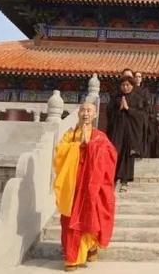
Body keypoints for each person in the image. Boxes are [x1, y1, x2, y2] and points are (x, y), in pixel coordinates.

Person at [53, 102, 117, 271]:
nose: (85, 113)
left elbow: (111, 155)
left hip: (91, 184)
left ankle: (90, 247)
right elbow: (59, 150)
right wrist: (77, 146)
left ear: (95, 115)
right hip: (73, 183)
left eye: (89, 110)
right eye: (83, 109)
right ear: (78, 113)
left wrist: (92, 146)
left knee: (91, 215)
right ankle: (72, 257)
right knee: (70, 219)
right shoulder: (70, 134)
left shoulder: (99, 136)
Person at [106, 75, 148, 191]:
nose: (125, 87)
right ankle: (112, 178)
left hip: (131, 131)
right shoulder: (117, 98)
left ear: (132, 86)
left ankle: (125, 181)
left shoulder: (138, 98)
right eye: (123, 85)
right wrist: (119, 108)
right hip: (118, 131)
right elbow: (110, 114)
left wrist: (128, 109)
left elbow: (142, 116)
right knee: (116, 152)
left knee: (128, 155)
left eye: (127, 85)